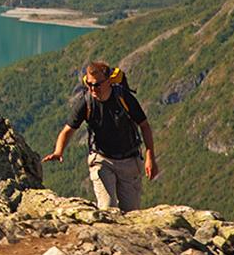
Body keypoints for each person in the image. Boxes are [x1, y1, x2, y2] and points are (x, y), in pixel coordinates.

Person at [42, 61, 160, 211]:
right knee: (107, 208)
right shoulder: (86, 102)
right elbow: (67, 130)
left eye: (97, 84)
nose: (92, 89)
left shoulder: (124, 98)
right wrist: (59, 151)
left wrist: (150, 156)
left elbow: (144, 125)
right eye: (89, 84)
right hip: (101, 160)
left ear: (109, 81)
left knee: (131, 213)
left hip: (129, 161)